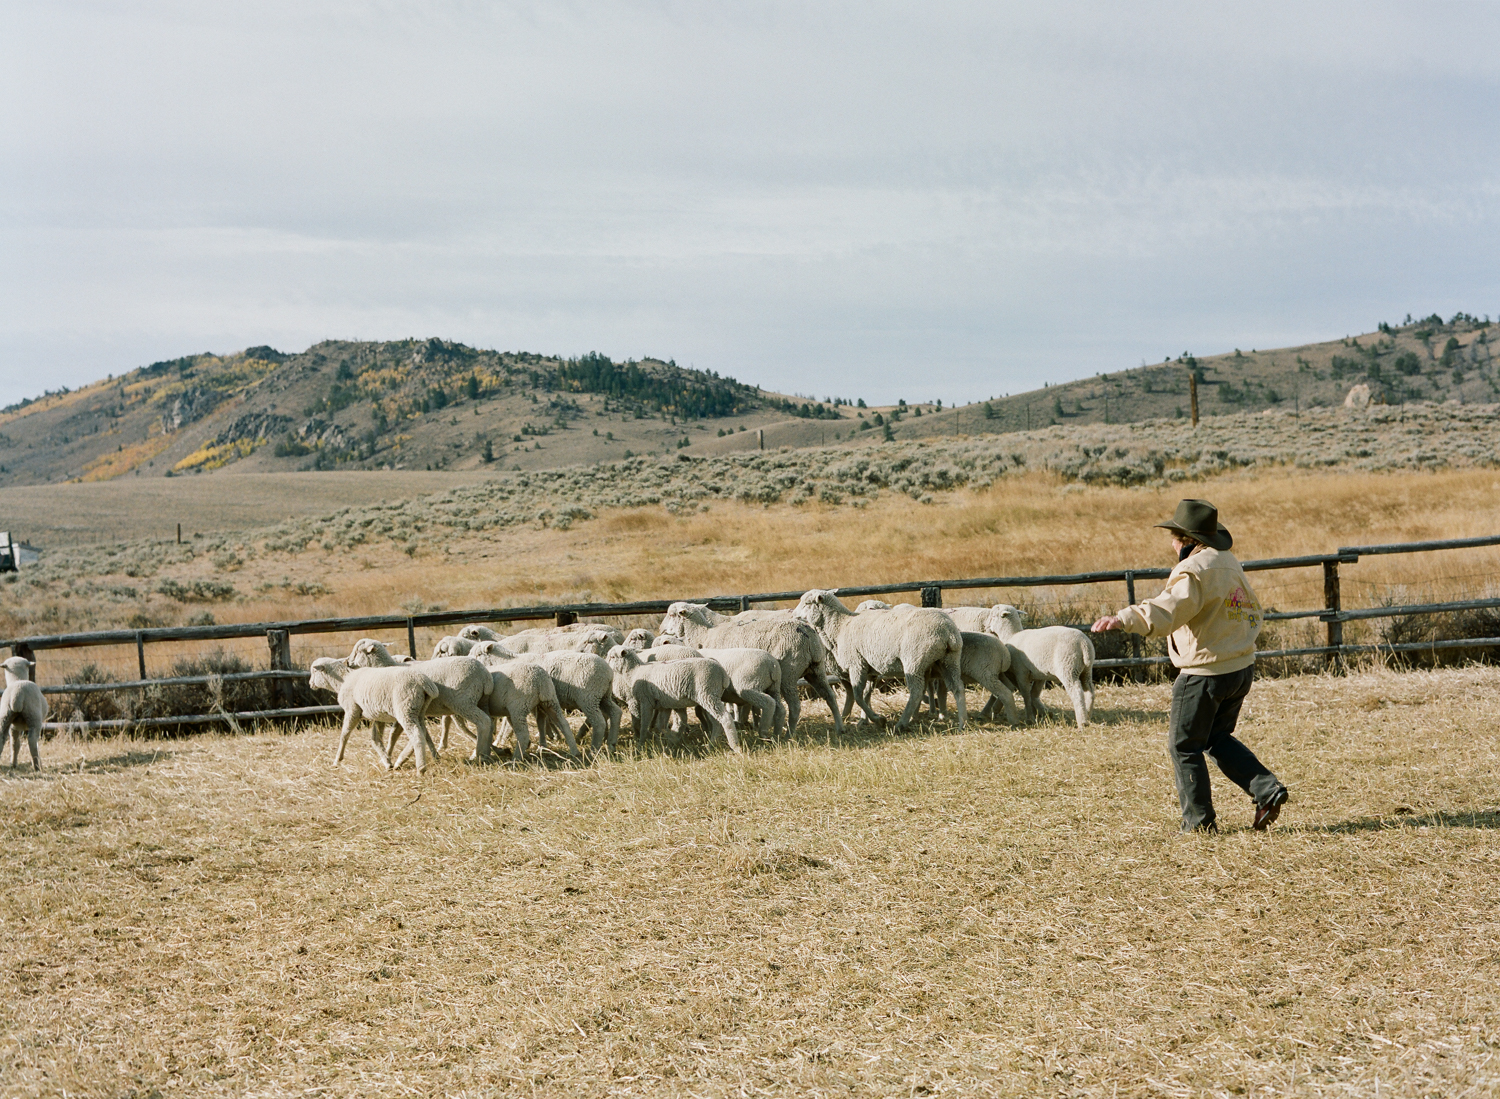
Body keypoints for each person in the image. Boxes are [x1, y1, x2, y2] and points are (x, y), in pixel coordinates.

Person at [1091, 499, 1288, 833]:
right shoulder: (1228, 562)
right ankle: (1266, 790)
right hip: (1240, 668)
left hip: (1204, 673)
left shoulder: (1193, 570)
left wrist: (1123, 618)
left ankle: (1198, 823)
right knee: (1215, 737)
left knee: (1184, 745)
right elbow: (1254, 611)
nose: (1171, 543)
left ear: (1187, 540)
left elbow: (1168, 609)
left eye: (1174, 536)